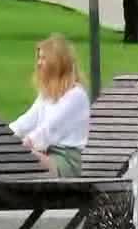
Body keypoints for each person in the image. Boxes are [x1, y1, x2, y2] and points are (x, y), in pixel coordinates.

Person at [8, 34, 89, 177]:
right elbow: (26, 121)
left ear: (57, 62)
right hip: (44, 155)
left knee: (19, 156)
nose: (39, 63)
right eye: (39, 58)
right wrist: (2, 136)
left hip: (64, 161)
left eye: (44, 58)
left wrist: (25, 143)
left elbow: (49, 129)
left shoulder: (76, 95)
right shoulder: (46, 94)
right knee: (5, 154)